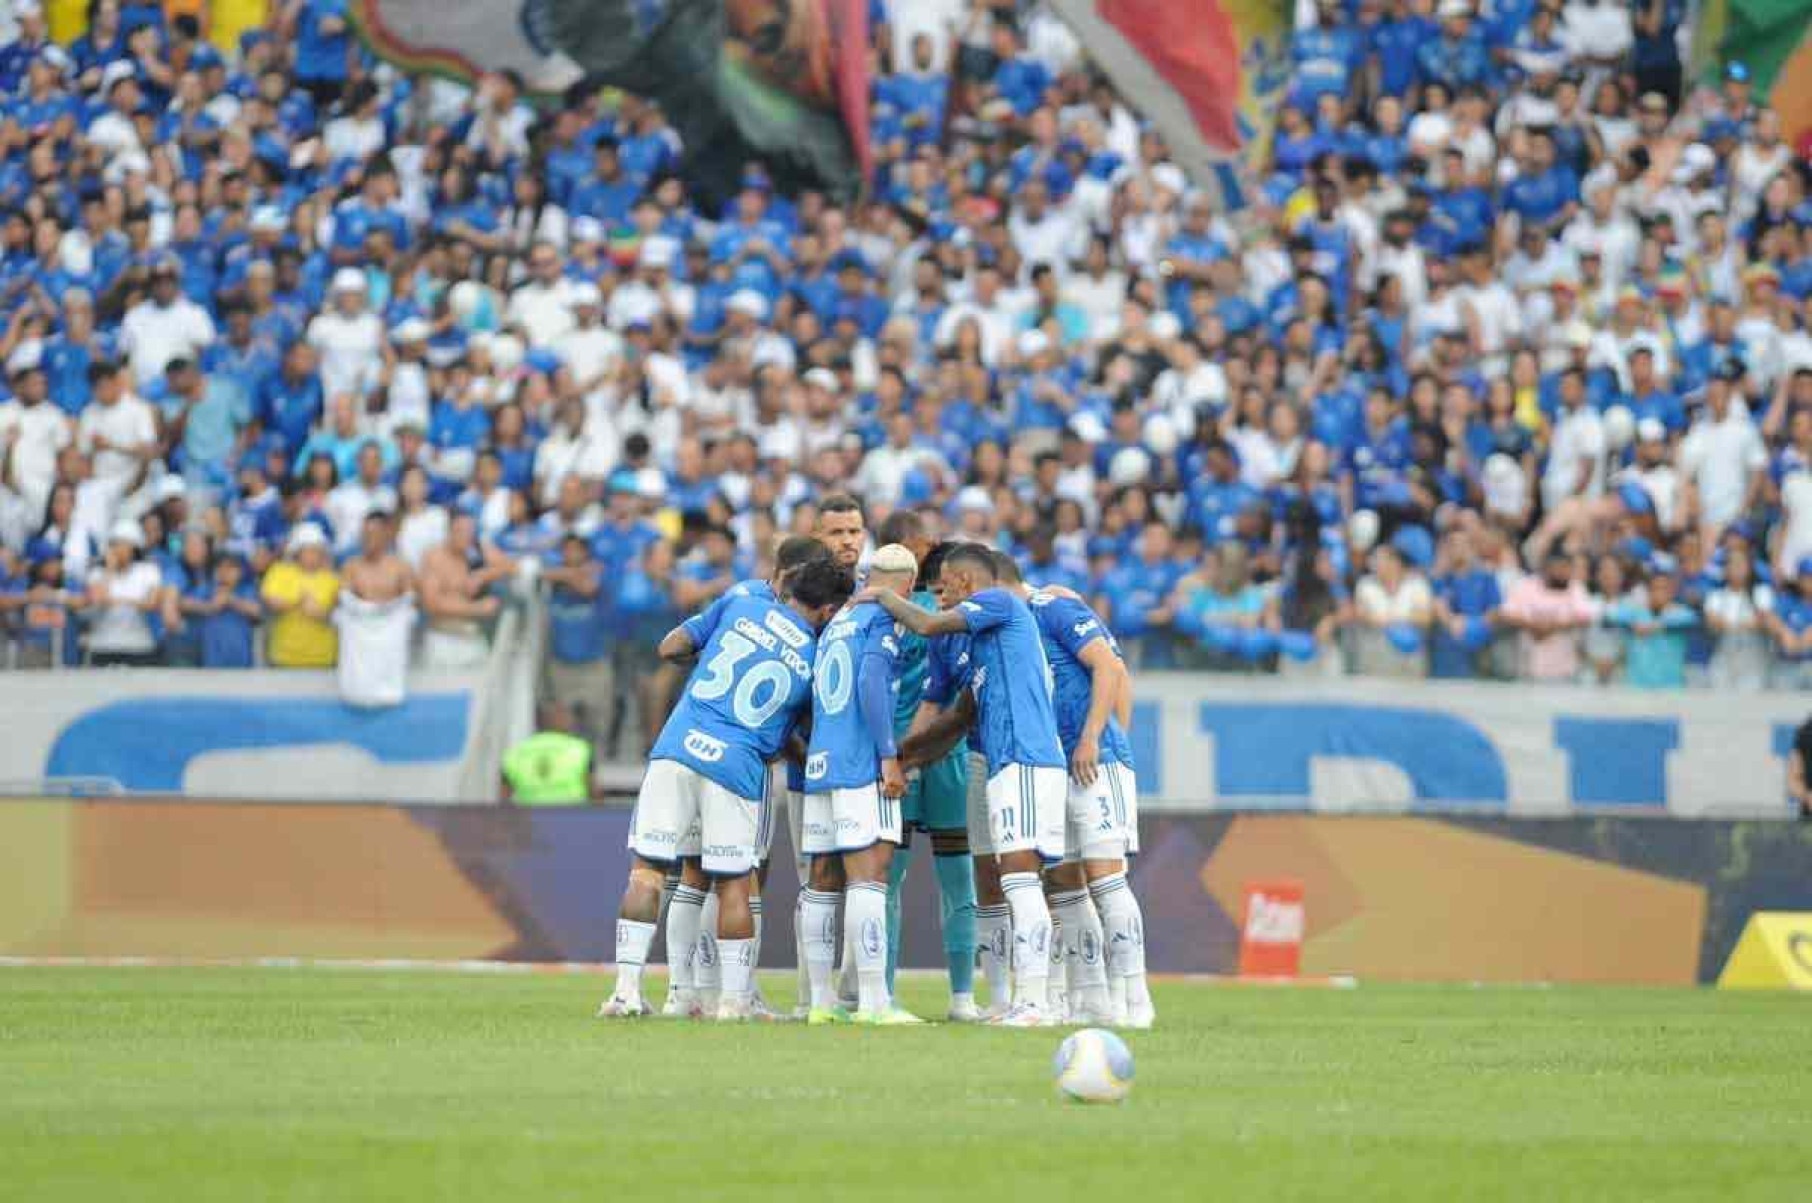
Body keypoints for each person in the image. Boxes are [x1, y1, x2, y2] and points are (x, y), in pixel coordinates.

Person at [599, 555, 853, 1021]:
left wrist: (717, 652)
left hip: (676, 748)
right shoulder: (817, 656)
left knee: (647, 872)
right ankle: (734, 1002)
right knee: (735, 882)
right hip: (736, 764)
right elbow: (797, 735)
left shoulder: (740, 604)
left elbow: (671, 646)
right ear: (828, 609)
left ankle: (625, 993)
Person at [868, 542, 1069, 1027]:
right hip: (1007, 761)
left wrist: (879, 595)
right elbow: (957, 717)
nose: (938, 599)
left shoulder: (1001, 603)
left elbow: (929, 624)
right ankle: (1035, 1000)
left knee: (1020, 878)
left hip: (1025, 756)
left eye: (942, 589)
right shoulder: (983, 644)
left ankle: (1037, 1001)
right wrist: (903, 757)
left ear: (963, 581)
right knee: (1016, 878)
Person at [1011, 557, 1154, 1028]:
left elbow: (1113, 670)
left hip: (1094, 761)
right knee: (1067, 886)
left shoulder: (1053, 606)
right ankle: (1094, 997)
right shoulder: (1011, 625)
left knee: (1107, 880)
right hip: (1054, 767)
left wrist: (1102, 738)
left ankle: (1136, 998)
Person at [797, 542, 920, 1024]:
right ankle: (873, 1002)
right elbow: (871, 681)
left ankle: (821, 1004)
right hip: (859, 764)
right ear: (907, 584)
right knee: (870, 875)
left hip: (823, 762)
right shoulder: (880, 620)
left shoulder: (837, 622)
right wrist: (889, 756)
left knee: (823, 883)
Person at [874, 523, 978, 1023]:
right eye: (921, 543)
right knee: (950, 880)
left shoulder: (880, 611)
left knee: (892, 880)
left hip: (905, 753)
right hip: (936, 753)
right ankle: (959, 998)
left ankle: (894, 996)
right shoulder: (946, 612)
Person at [338, 509, 416, 707]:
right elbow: (344, 599)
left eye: (373, 534)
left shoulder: (401, 568)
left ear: (386, 535)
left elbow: (410, 601)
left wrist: (386, 612)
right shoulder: (351, 567)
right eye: (365, 534)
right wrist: (367, 611)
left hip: (390, 640)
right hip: (360, 639)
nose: (368, 539)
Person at [417, 512, 508, 669]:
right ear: (449, 531)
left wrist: (482, 575)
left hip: (473, 637)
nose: (466, 537)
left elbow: (510, 566)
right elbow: (430, 603)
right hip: (444, 640)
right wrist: (476, 608)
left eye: (470, 533)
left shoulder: (475, 553)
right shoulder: (434, 557)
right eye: (460, 531)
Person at [261, 523, 341, 668]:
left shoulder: (332, 579)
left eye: (317, 550)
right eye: (308, 550)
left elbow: (339, 614)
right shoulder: (279, 571)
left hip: (323, 659)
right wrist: (298, 602)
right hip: (284, 658)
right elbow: (270, 601)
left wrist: (322, 614)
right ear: (296, 551)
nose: (313, 554)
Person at [85, 519, 163, 666]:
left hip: (138, 645)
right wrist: (109, 571)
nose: (118, 549)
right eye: (115, 544)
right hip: (103, 645)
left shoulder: (149, 571)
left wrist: (120, 601)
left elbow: (152, 603)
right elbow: (97, 600)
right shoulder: (97, 573)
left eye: (123, 544)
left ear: (134, 547)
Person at [501, 703, 597, 805]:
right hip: (570, 816)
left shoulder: (515, 752)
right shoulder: (579, 749)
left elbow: (503, 797)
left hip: (529, 817)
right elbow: (593, 792)